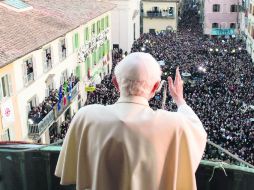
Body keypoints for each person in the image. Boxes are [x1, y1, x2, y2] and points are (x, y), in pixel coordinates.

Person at [55, 52, 207, 190]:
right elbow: (197, 130)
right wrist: (180, 100)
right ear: (155, 87)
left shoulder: (85, 116)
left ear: (115, 84)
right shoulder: (175, 125)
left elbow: (70, 173)